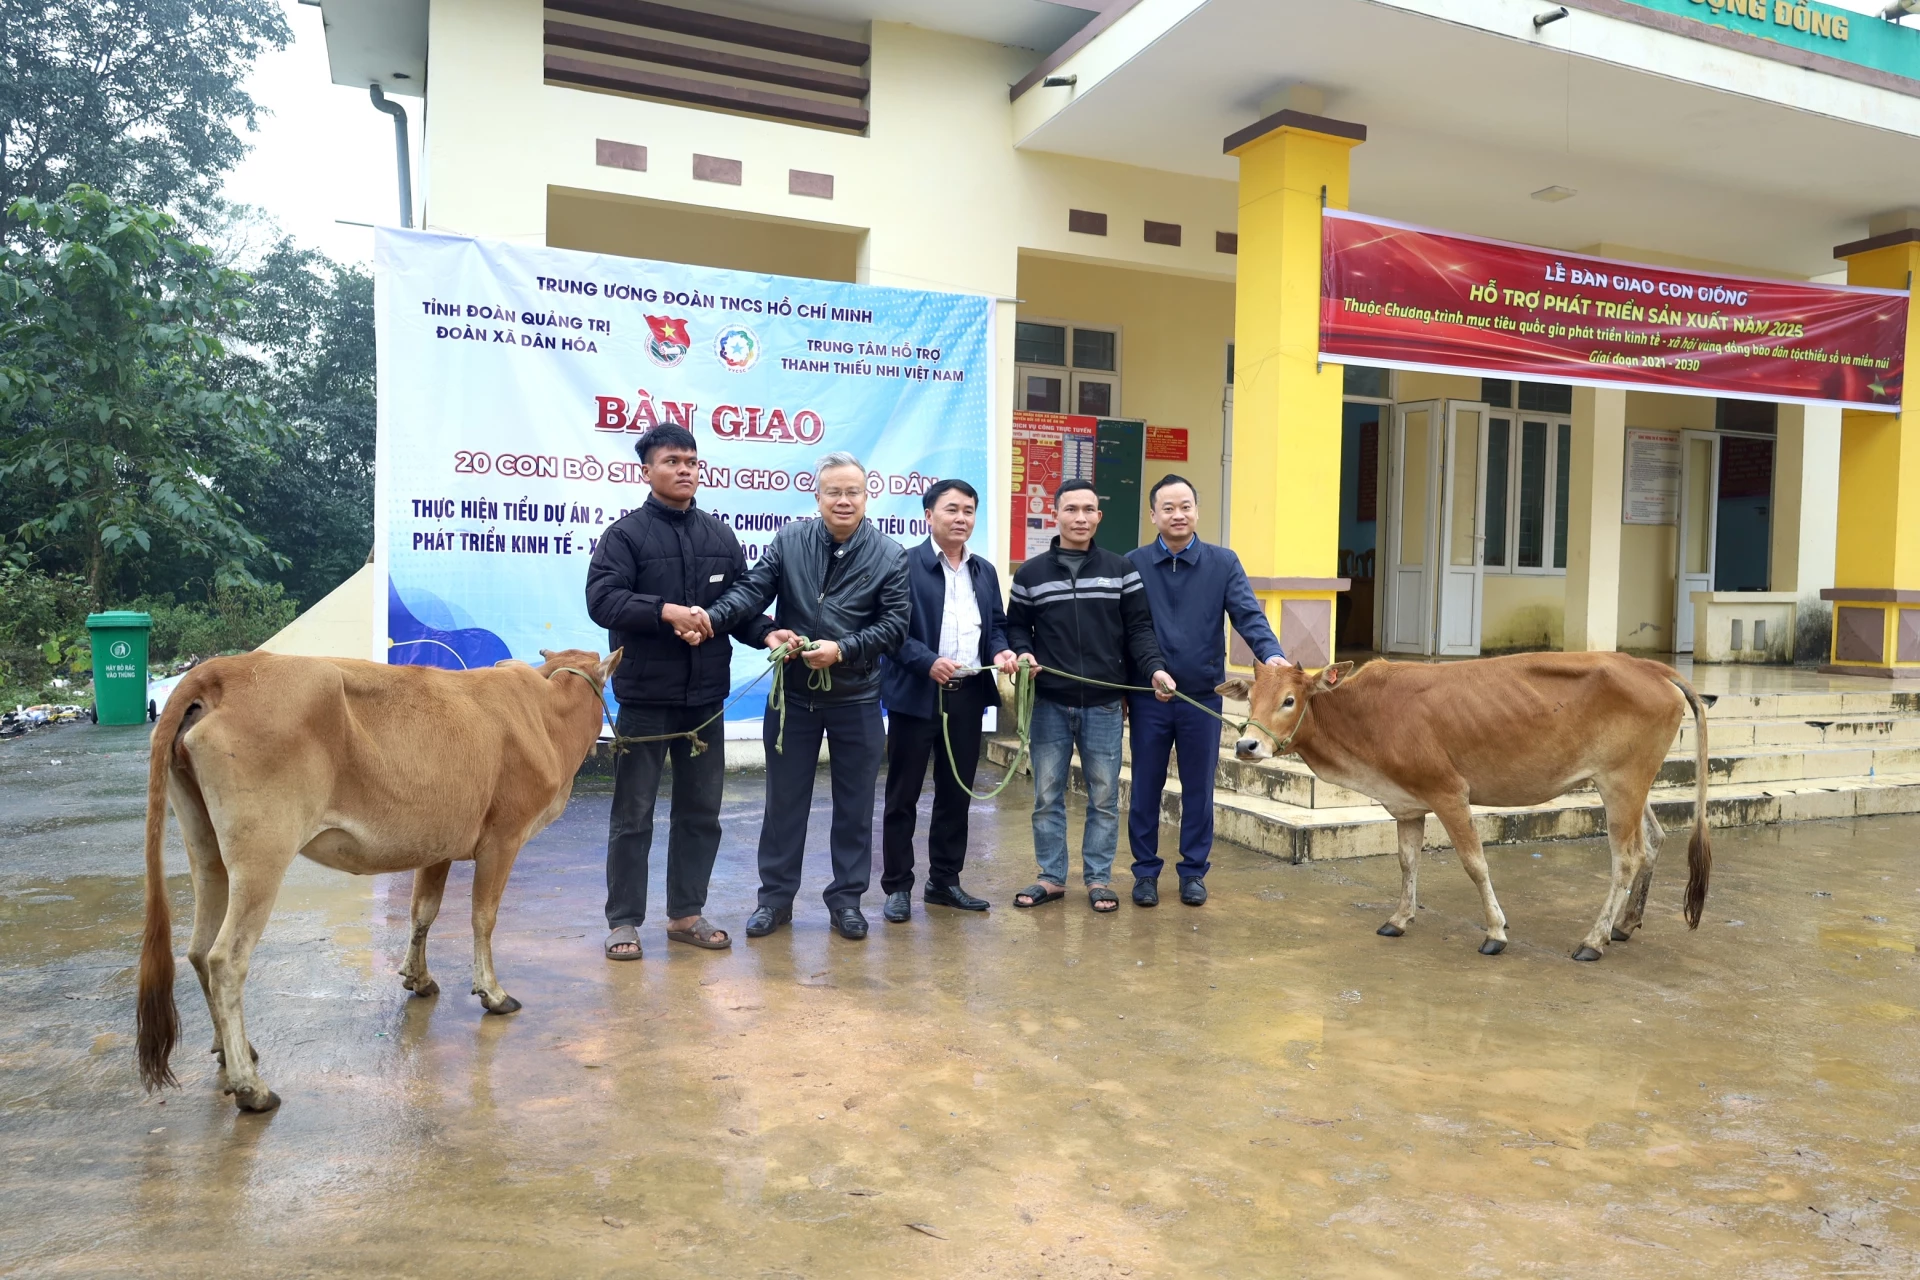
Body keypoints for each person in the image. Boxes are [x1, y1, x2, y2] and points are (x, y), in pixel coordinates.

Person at [696, 451, 910, 941]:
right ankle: (774, 900)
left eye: (852, 491)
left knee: (855, 806)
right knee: (783, 803)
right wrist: (712, 618)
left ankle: (847, 900)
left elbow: (896, 628)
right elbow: (752, 591)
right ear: (817, 497)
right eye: (832, 491)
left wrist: (845, 649)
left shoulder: (889, 554)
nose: (842, 500)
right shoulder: (789, 540)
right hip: (793, 699)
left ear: (866, 496)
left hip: (856, 697)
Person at [584, 424, 772, 960]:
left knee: (699, 814)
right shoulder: (625, 537)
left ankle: (686, 914)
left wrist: (769, 632)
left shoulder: (720, 537)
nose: (685, 469)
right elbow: (604, 601)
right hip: (645, 700)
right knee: (633, 815)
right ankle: (623, 920)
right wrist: (666, 612)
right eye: (672, 461)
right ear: (646, 470)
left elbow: (740, 609)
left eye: (692, 460)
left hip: (705, 701)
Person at [1005, 478, 1175, 914]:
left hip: (1103, 704)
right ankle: (1051, 876)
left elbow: (1138, 629)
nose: (1080, 518)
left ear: (1099, 517)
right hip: (1049, 703)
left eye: (1088, 510)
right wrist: (1023, 652)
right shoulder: (1030, 574)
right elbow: (1016, 627)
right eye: (1071, 510)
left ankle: (1099, 878)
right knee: (1047, 795)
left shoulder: (1121, 570)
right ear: (1056, 516)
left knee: (1103, 796)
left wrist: (1155, 670)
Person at [1125, 474, 1287, 908]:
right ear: (1153, 515)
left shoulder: (1222, 563)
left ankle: (1193, 872)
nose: (1178, 515)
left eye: (1185, 506)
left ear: (1197, 511)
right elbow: (1125, 631)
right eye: (1168, 508)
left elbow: (1248, 616)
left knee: (1199, 788)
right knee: (1145, 786)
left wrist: (1272, 656)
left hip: (1201, 698)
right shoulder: (1134, 564)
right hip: (1149, 698)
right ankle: (1144, 873)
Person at [877, 479, 1017, 922]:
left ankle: (945, 881)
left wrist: (1002, 650)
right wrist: (927, 661)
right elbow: (890, 631)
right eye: (952, 510)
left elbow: (995, 625)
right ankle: (898, 886)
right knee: (903, 795)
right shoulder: (902, 564)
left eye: (969, 511)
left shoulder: (984, 571)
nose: (961, 519)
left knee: (956, 794)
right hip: (916, 695)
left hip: (968, 696)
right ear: (928, 516)